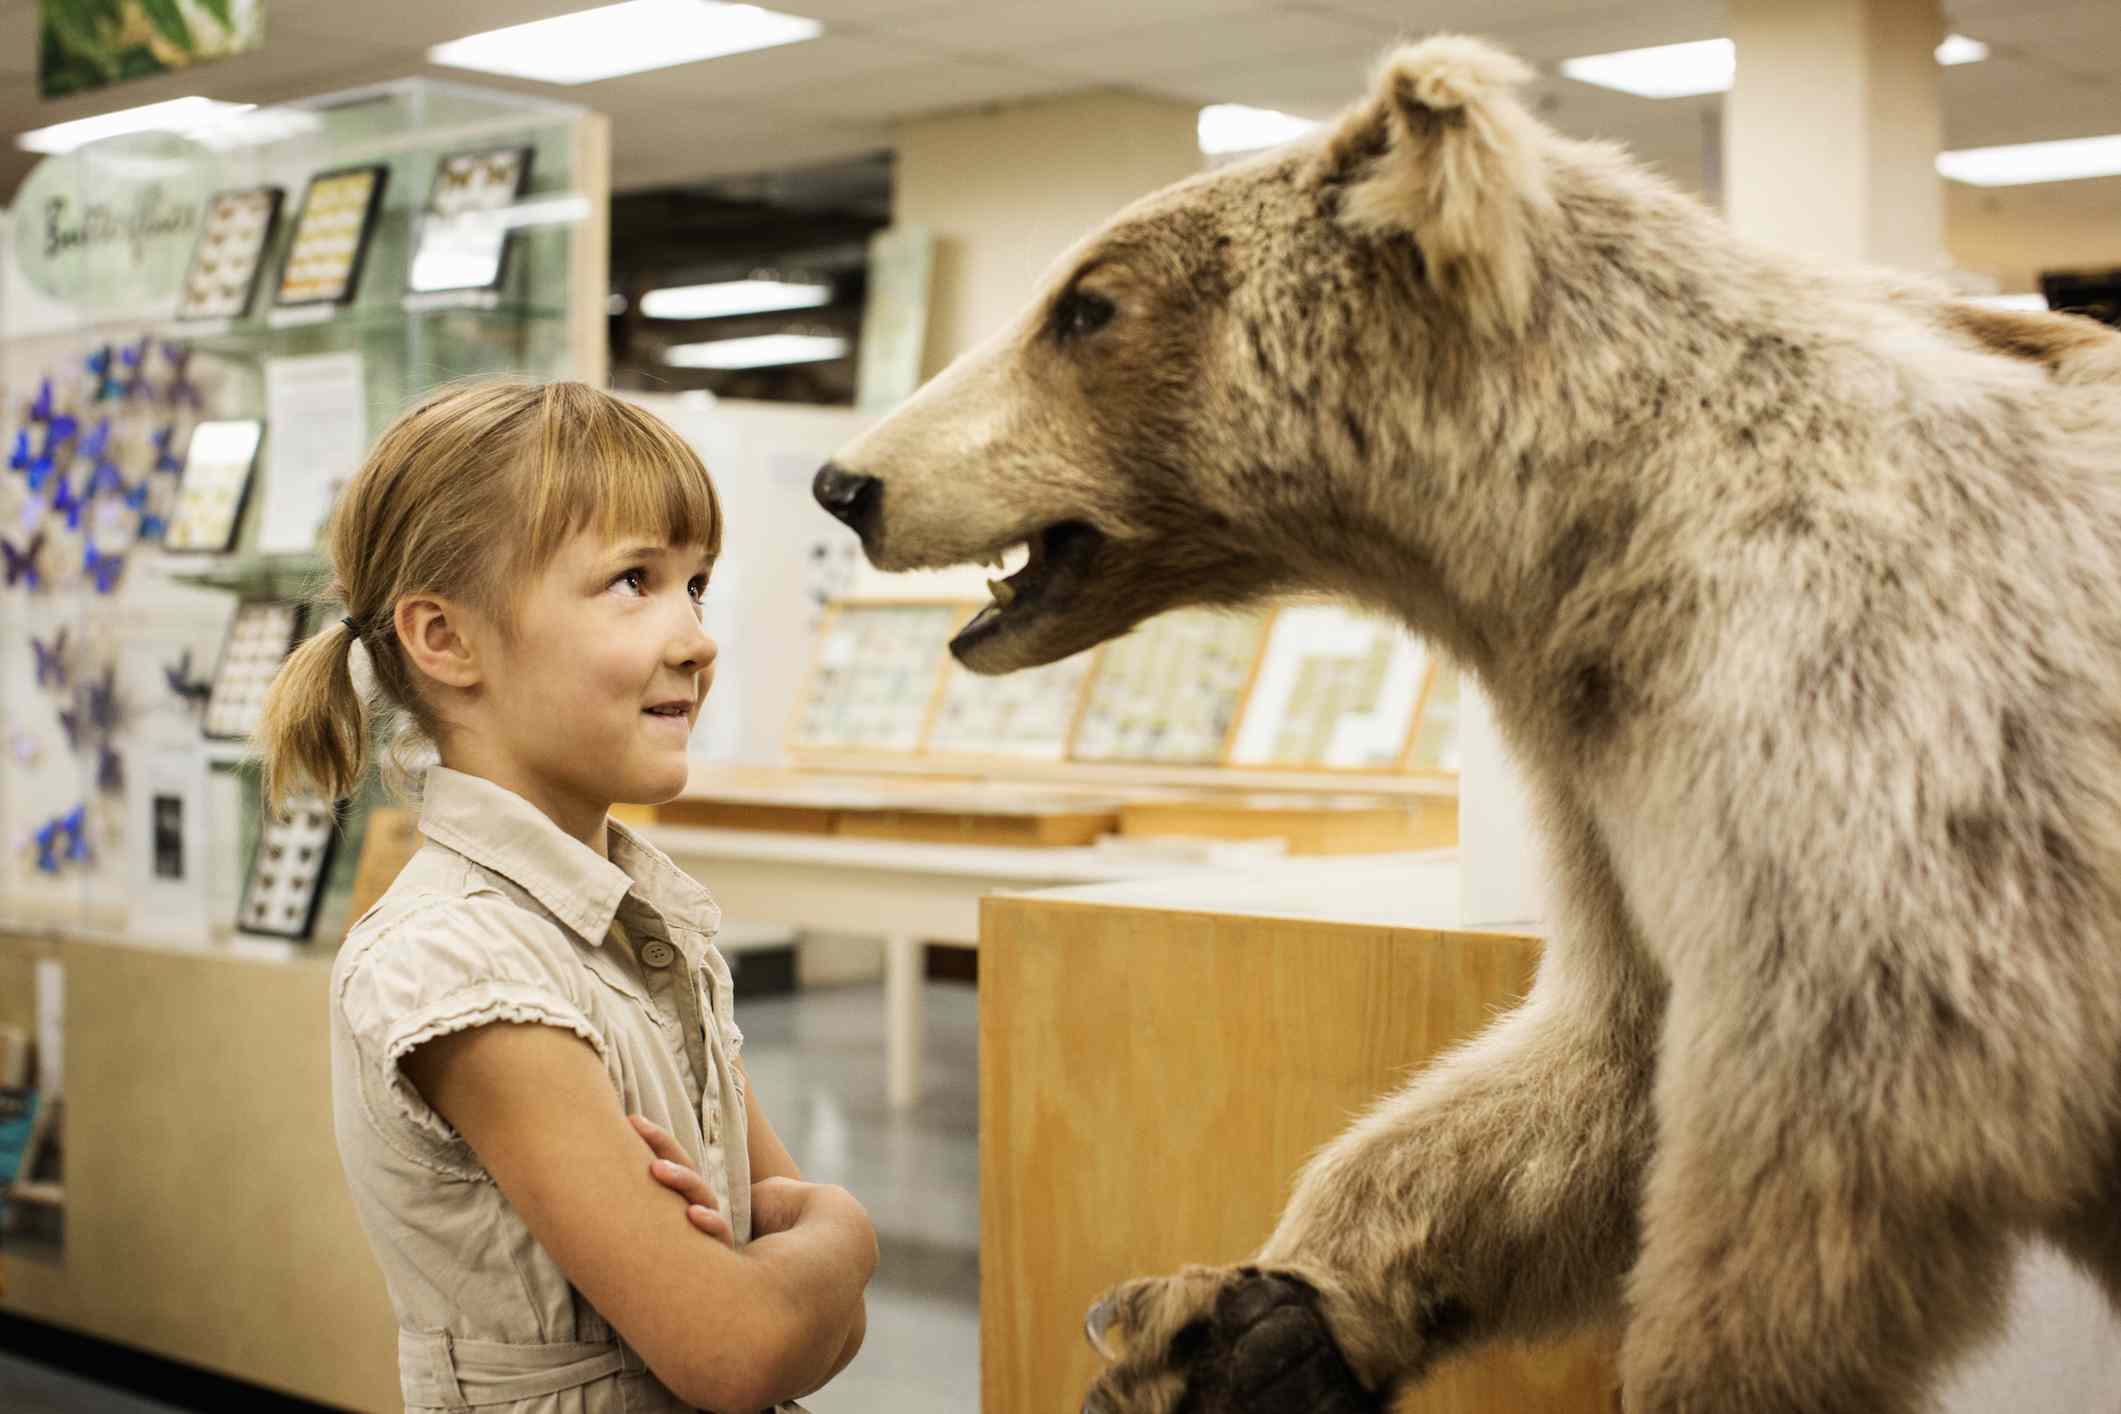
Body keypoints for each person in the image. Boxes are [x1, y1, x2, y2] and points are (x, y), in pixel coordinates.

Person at [256, 379, 874, 1413]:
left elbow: (807, 1310)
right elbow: (738, 1349)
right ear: (444, 639)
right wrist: (847, 1232)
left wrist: (800, 1268)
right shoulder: (460, 961)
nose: (695, 637)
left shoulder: (653, 922)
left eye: (698, 585)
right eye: (634, 581)